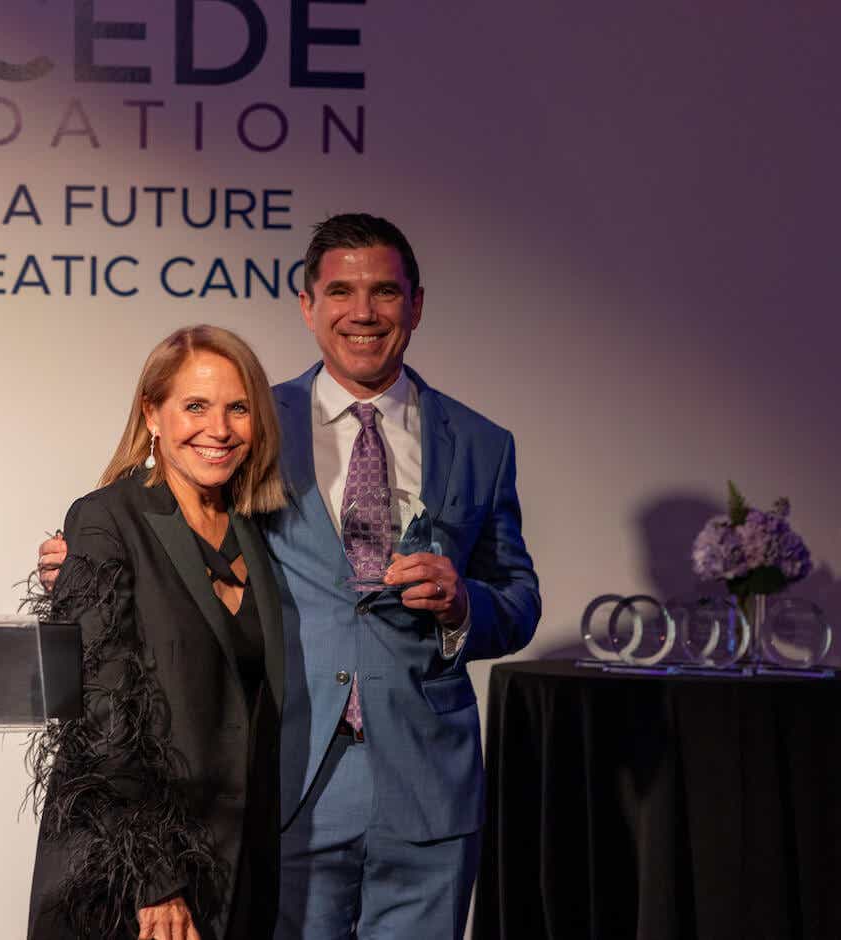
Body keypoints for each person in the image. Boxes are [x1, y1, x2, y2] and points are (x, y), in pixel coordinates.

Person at [41, 214, 540, 938]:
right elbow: (165, 528)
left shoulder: (482, 444)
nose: (362, 313)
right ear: (308, 306)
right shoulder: (247, 422)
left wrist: (465, 605)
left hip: (429, 793)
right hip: (285, 783)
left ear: (418, 304)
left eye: (384, 293)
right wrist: (82, 564)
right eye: (340, 291)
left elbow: (519, 599)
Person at [26, 325, 287, 940]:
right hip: (133, 874)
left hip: (236, 866)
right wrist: (155, 879)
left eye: (238, 408)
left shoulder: (263, 531)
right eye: (195, 406)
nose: (218, 430)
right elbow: (101, 715)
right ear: (153, 414)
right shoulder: (104, 521)